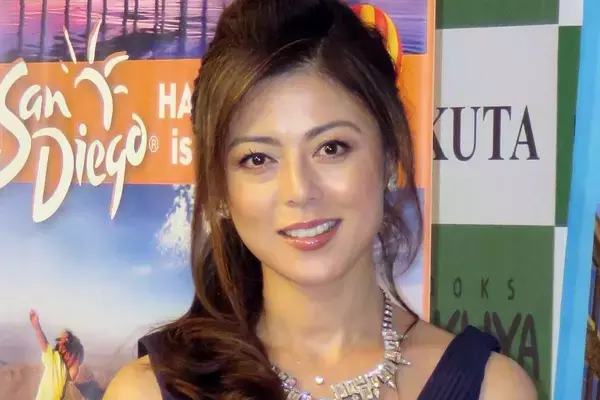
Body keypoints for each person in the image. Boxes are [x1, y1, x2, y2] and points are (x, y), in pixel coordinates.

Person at [103, 0, 537, 398]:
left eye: (331, 148)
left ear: (390, 156)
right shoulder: (148, 391)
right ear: (219, 188)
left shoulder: (492, 389)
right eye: (257, 158)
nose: (299, 191)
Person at [29, 310, 85, 400]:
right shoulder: (54, 359)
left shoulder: (65, 370)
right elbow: (44, 344)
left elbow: (73, 375)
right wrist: (37, 327)